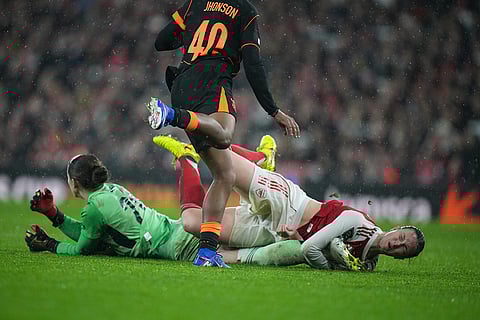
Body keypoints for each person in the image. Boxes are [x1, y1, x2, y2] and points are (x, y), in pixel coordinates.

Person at [148, 0, 300, 267]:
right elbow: (253, 65)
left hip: (181, 84)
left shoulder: (196, 2)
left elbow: (162, 41)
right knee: (225, 136)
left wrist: (191, 33)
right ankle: (171, 116)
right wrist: (274, 110)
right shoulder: (245, 12)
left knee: (225, 174)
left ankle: (206, 254)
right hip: (212, 82)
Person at [153, 135, 426, 271]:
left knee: (193, 224)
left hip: (276, 230)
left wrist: (302, 239)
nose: (398, 244)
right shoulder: (359, 222)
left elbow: (309, 243)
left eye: (404, 249)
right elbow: (310, 248)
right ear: (397, 228)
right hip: (287, 202)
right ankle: (261, 159)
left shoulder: (367, 264)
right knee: (216, 153)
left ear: (402, 258)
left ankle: (186, 158)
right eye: (402, 237)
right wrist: (323, 260)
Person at [24, 153, 303, 267]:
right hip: (175, 231)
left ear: (74, 182)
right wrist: (54, 216)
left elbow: (85, 247)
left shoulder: (94, 208)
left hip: (180, 247)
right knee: (262, 233)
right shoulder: (112, 190)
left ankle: (309, 247)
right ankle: (261, 166)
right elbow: (92, 234)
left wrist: (49, 244)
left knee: (256, 256)